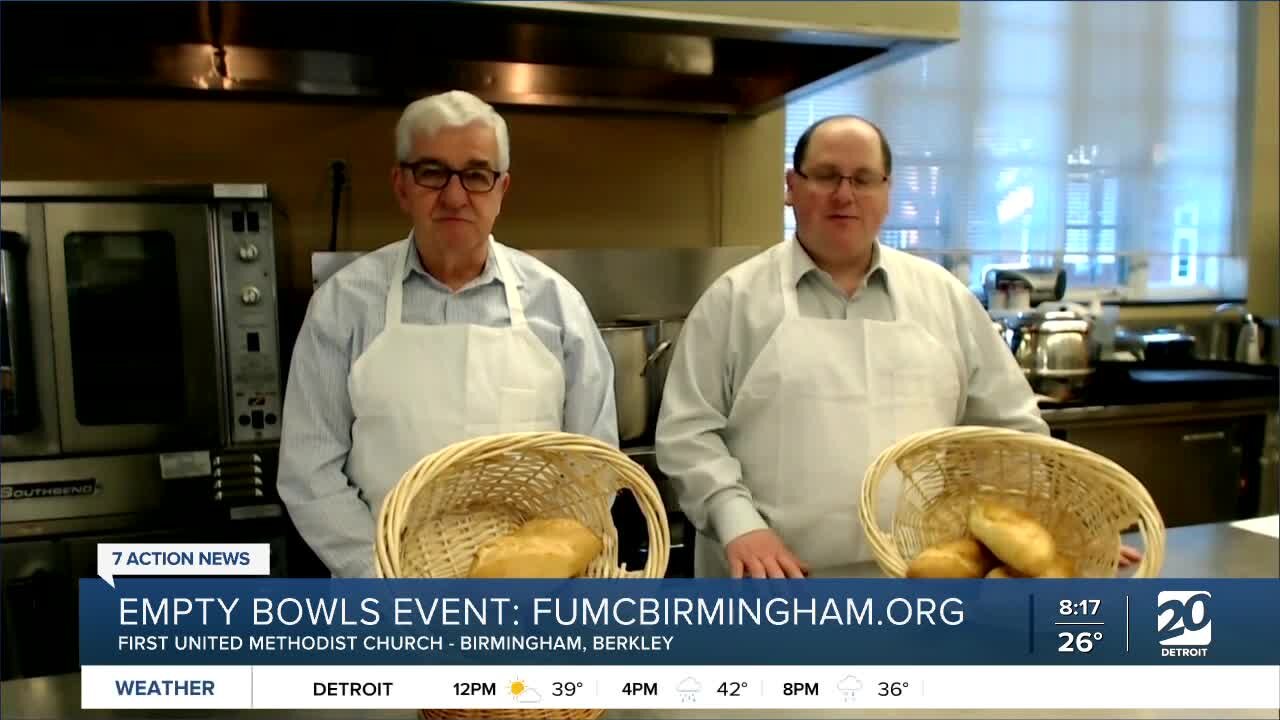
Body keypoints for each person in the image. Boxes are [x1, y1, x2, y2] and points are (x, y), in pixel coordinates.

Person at [655, 114, 1139, 579]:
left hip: (922, 580)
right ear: (791, 187)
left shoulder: (943, 297)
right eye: (826, 175)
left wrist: (1057, 526)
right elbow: (688, 433)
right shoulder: (734, 299)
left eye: (864, 178)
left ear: (887, 191)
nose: (845, 194)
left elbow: (1010, 432)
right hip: (771, 584)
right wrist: (740, 525)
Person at [277, 90, 618, 578]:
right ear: (401, 186)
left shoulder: (559, 307)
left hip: (523, 603)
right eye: (432, 172)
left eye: (477, 175)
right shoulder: (342, 306)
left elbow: (593, 470)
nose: (455, 196)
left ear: (502, 189)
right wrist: (381, 577)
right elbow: (308, 472)